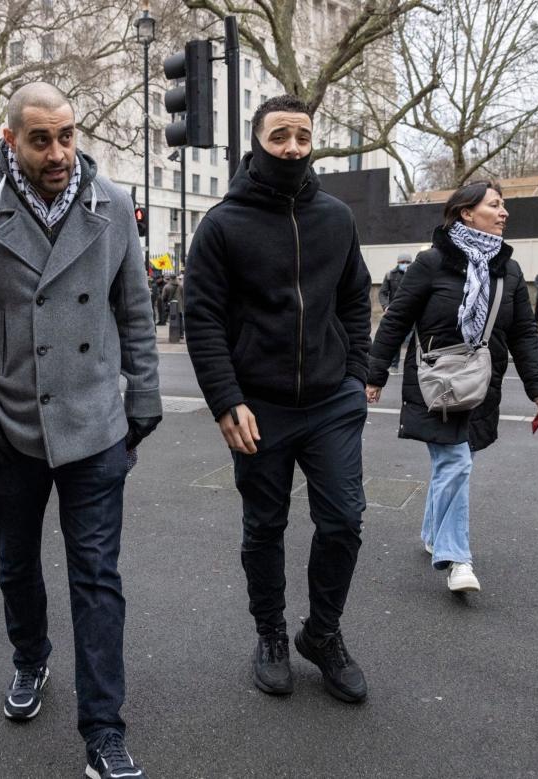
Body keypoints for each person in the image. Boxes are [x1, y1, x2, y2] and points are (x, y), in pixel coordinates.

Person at [0, 82, 161, 779]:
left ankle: (104, 730)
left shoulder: (110, 204)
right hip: (11, 426)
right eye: (41, 139)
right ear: (9, 139)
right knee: (18, 562)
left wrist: (142, 397)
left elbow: (134, 309)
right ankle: (31, 656)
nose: (58, 152)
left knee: (97, 576)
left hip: (95, 424)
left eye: (68, 135)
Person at [185, 95, 372, 703]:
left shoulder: (337, 217)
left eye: (302, 136)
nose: (293, 147)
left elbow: (354, 298)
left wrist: (357, 374)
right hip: (258, 406)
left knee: (343, 519)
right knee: (264, 526)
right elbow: (204, 318)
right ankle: (269, 633)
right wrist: (224, 399)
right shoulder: (222, 224)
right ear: (256, 142)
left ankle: (323, 633)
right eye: (279, 136)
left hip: (331, 401)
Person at [365, 180, 538, 593]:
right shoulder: (431, 263)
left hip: (483, 382)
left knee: (452, 462)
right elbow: (395, 320)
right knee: (456, 463)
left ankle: (434, 532)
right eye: (495, 206)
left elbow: (524, 331)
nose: (504, 213)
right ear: (467, 213)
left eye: (504, 206)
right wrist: (374, 374)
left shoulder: (508, 267)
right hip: (439, 384)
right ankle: (457, 558)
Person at [379, 252, 413, 371]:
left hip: (412, 312)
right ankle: (394, 365)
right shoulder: (390, 275)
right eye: (402, 262)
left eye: (407, 262)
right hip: (396, 313)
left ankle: (413, 367)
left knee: (412, 340)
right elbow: (382, 292)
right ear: (398, 263)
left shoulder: (416, 274)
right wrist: (386, 306)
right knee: (396, 339)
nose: (405, 264)